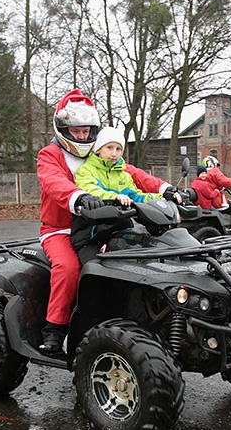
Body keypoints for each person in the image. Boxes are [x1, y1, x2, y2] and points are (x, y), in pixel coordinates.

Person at [36, 89, 176, 355]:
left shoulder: (96, 154)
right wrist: (79, 197)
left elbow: (132, 174)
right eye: (75, 131)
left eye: (87, 131)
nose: (81, 136)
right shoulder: (49, 155)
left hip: (102, 226)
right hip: (60, 229)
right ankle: (54, 330)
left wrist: (166, 189)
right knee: (68, 269)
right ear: (63, 128)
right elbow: (54, 182)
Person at [71, 125, 178, 262]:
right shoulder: (86, 170)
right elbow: (89, 189)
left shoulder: (124, 175)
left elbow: (136, 196)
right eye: (109, 147)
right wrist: (114, 197)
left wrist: (162, 198)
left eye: (118, 149)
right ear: (97, 148)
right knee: (93, 270)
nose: (114, 153)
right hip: (91, 234)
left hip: (119, 231)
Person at [190, 155, 231, 234]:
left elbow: (211, 185)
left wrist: (221, 188)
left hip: (206, 202)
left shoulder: (201, 175)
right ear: (212, 163)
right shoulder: (213, 171)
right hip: (216, 201)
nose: (217, 167)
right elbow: (225, 181)